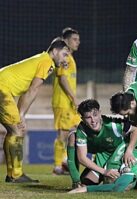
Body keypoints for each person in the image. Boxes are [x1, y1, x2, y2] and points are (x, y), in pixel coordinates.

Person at [0, 37, 69, 183]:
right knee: (18, 130)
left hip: (3, 87)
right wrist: (22, 114)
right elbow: (33, 89)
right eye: (64, 54)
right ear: (55, 51)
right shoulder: (47, 62)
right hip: (2, 89)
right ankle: (16, 175)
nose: (65, 58)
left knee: (13, 131)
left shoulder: (42, 59)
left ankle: (12, 174)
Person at [67, 99, 137, 189]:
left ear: (100, 113)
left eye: (95, 115)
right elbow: (82, 158)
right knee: (85, 183)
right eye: (88, 117)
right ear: (83, 119)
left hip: (119, 158)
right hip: (101, 158)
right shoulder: (82, 129)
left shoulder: (113, 125)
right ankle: (76, 181)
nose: (93, 120)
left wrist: (129, 150)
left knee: (118, 185)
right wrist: (104, 172)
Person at [68, 138, 137, 193]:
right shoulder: (110, 165)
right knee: (85, 182)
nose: (104, 184)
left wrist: (86, 189)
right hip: (126, 146)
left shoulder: (129, 165)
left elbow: (117, 187)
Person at [52, 27, 81, 175]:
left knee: (78, 129)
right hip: (63, 102)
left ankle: (65, 161)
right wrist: (73, 98)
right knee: (63, 134)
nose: (78, 42)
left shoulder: (70, 57)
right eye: (75, 39)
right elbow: (63, 79)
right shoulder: (64, 58)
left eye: (78, 39)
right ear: (66, 41)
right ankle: (58, 165)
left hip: (69, 103)